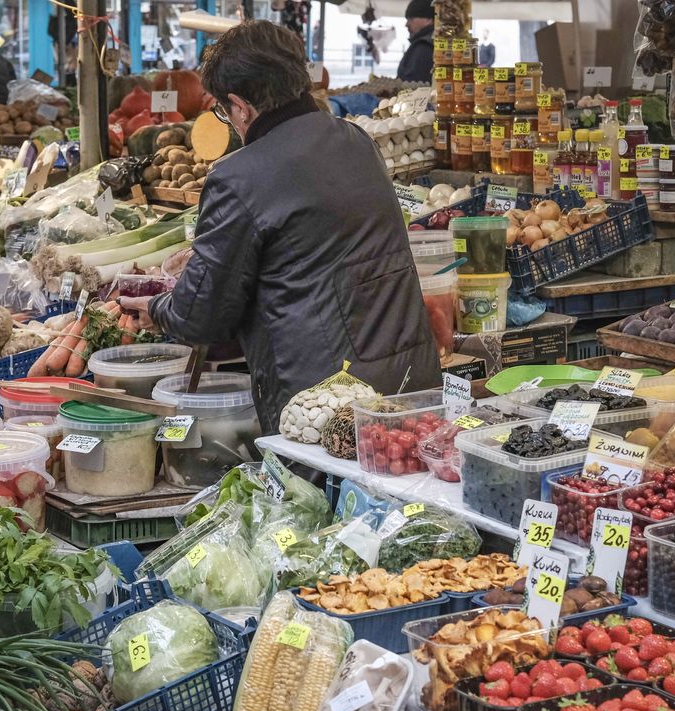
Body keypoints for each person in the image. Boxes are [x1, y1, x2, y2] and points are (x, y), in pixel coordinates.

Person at [120, 21, 439, 433]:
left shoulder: (239, 177)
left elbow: (202, 317)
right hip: (409, 382)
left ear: (241, 106)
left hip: (323, 404)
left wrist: (159, 308)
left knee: (319, 496)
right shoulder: (356, 141)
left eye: (222, 110)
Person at [396, 0, 434, 82]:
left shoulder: (424, 46)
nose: (406, 24)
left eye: (411, 19)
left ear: (429, 19)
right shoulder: (427, 42)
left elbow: (410, 81)